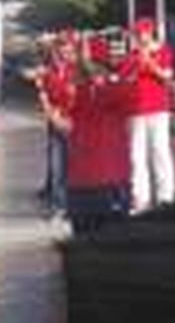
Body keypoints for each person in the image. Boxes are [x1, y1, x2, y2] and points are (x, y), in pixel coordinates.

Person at [59, 33, 135, 236]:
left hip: (107, 182)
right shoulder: (76, 91)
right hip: (87, 182)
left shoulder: (117, 88)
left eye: (84, 62)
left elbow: (127, 101)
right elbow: (63, 123)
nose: (78, 66)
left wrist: (100, 81)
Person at [121, 18, 175, 213]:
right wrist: (137, 64)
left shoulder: (163, 51)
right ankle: (140, 198)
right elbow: (125, 79)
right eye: (137, 34)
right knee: (137, 156)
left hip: (158, 109)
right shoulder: (131, 55)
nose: (140, 37)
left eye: (143, 33)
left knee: (160, 152)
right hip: (136, 111)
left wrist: (150, 63)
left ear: (151, 32)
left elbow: (168, 76)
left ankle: (166, 196)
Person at [35, 32, 77, 217]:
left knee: (72, 166)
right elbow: (43, 95)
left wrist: (69, 118)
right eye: (61, 49)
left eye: (68, 48)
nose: (64, 52)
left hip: (73, 122)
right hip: (55, 121)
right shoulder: (48, 71)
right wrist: (52, 115)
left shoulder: (76, 70)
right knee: (56, 165)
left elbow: (80, 96)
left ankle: (72, 204)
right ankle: (58, 204)